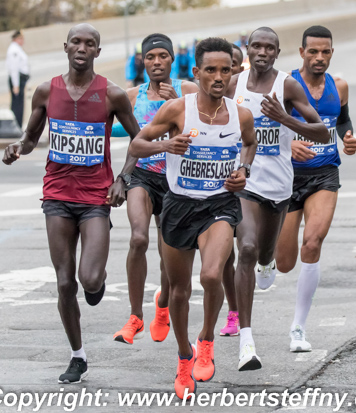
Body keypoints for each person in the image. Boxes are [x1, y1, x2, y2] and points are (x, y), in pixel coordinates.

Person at [2, 23, 140, 383]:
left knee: (89, 279)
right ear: (66, 48)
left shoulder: (112, 94)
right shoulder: (47, 90)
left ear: (97, 50)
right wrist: (18, 147)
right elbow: (31, 137)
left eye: (89, 43)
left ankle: (97, 284)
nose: (82, 47)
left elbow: (138, 142)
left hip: (96, 197)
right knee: (65, 282)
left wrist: (122, 179)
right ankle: (78, 356)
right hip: (58, 195)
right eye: (76, 42)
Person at [129, 37, 257, 399]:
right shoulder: (176, 110)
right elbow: (137, 144)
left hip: (219, 204)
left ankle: (206, 340)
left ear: (233, 73)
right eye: (211, 70)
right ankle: (184, 355)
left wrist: (243, 169)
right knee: (180, 291)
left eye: (225, 70)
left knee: (213, 273)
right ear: (196, 73)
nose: (218, 76)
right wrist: (165, 145)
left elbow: (250, 143)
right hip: (179, 205)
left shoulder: (240, 114)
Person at [226, 26, 331, 371]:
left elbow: (320, 130)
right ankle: (246, 341)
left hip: (280, 187)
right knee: (247, 248)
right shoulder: (234, 84)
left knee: (265, 254)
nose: (262, 52)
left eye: (269, 48)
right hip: (245, 182)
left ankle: (266, 263)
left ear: (277, 52)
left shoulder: (286, 85)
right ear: (248, 49)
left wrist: (283, 117)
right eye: (256, 46)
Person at [274, 25, 356, 353]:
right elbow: (266, 126)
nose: (319, 57)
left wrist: (348, 138)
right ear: (302, 53)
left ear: (332, 53)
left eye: (325, 52)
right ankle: (266, 260)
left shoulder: (340, 86)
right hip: (287, 177)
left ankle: (298, 327)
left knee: (313, 242)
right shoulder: (285, 85)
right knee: (283, 262)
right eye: (313, 52)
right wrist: (288, 144)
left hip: (325, 173)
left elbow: (343, 121)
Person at [111, 34, 199, 345]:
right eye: (151, 57)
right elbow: (133, 139)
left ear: (172, 60)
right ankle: (135, 317)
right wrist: (121, 177)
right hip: (144, 176)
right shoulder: (132, 96)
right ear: (143, 61)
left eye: (163, 56)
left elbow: (207, 129)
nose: (156, 62)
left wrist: (177, 101)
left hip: (176, 182)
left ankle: (162, 307)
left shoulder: (188, 90)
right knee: (138, 238)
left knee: (167, 255)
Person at [218, 42, 246, 338]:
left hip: (252, 186)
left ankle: (267, 254)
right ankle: (234, 312)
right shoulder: (199, 103)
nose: (224, 73)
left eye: (231, 66)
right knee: (226, 256)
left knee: (249, 248)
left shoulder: (247, 103)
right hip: (220, 189)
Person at [6, 30, 30, 127]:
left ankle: (18, 125)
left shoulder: (17, 49)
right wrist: (16, 85)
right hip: (17, 80)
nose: (23, 41)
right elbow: (14, 68)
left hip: (20, 79)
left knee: (19, 104)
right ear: (17, 39)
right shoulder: (14, 50)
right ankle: (15, 125)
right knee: (17, 105)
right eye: (21, 39)